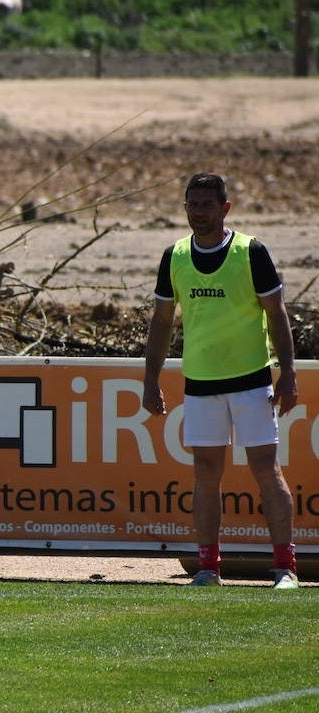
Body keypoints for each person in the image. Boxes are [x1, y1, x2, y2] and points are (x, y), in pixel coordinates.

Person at [142, 172, 300, 589]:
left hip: (251, 380)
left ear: (225, 208)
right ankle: (209, 567)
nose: (199, 212)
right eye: (192, 204)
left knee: (266, 469)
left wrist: (288, 372)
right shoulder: (174, 255)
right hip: (200, 383)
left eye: (207, 205)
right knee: (205, 473)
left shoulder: (251, 251)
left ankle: (286, 568)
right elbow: (161, 321)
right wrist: (150, 378)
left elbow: (277, 313)